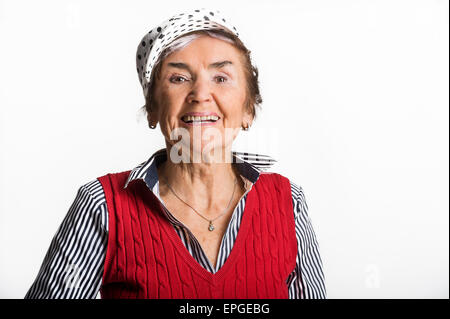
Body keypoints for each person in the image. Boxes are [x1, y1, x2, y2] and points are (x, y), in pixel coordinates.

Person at [25, 7, 326, 299]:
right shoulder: (102, 205)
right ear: (153, 108)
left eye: (221, 78)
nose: (200, 95)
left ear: (248, 109)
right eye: (178, 79)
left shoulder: (289, 203)